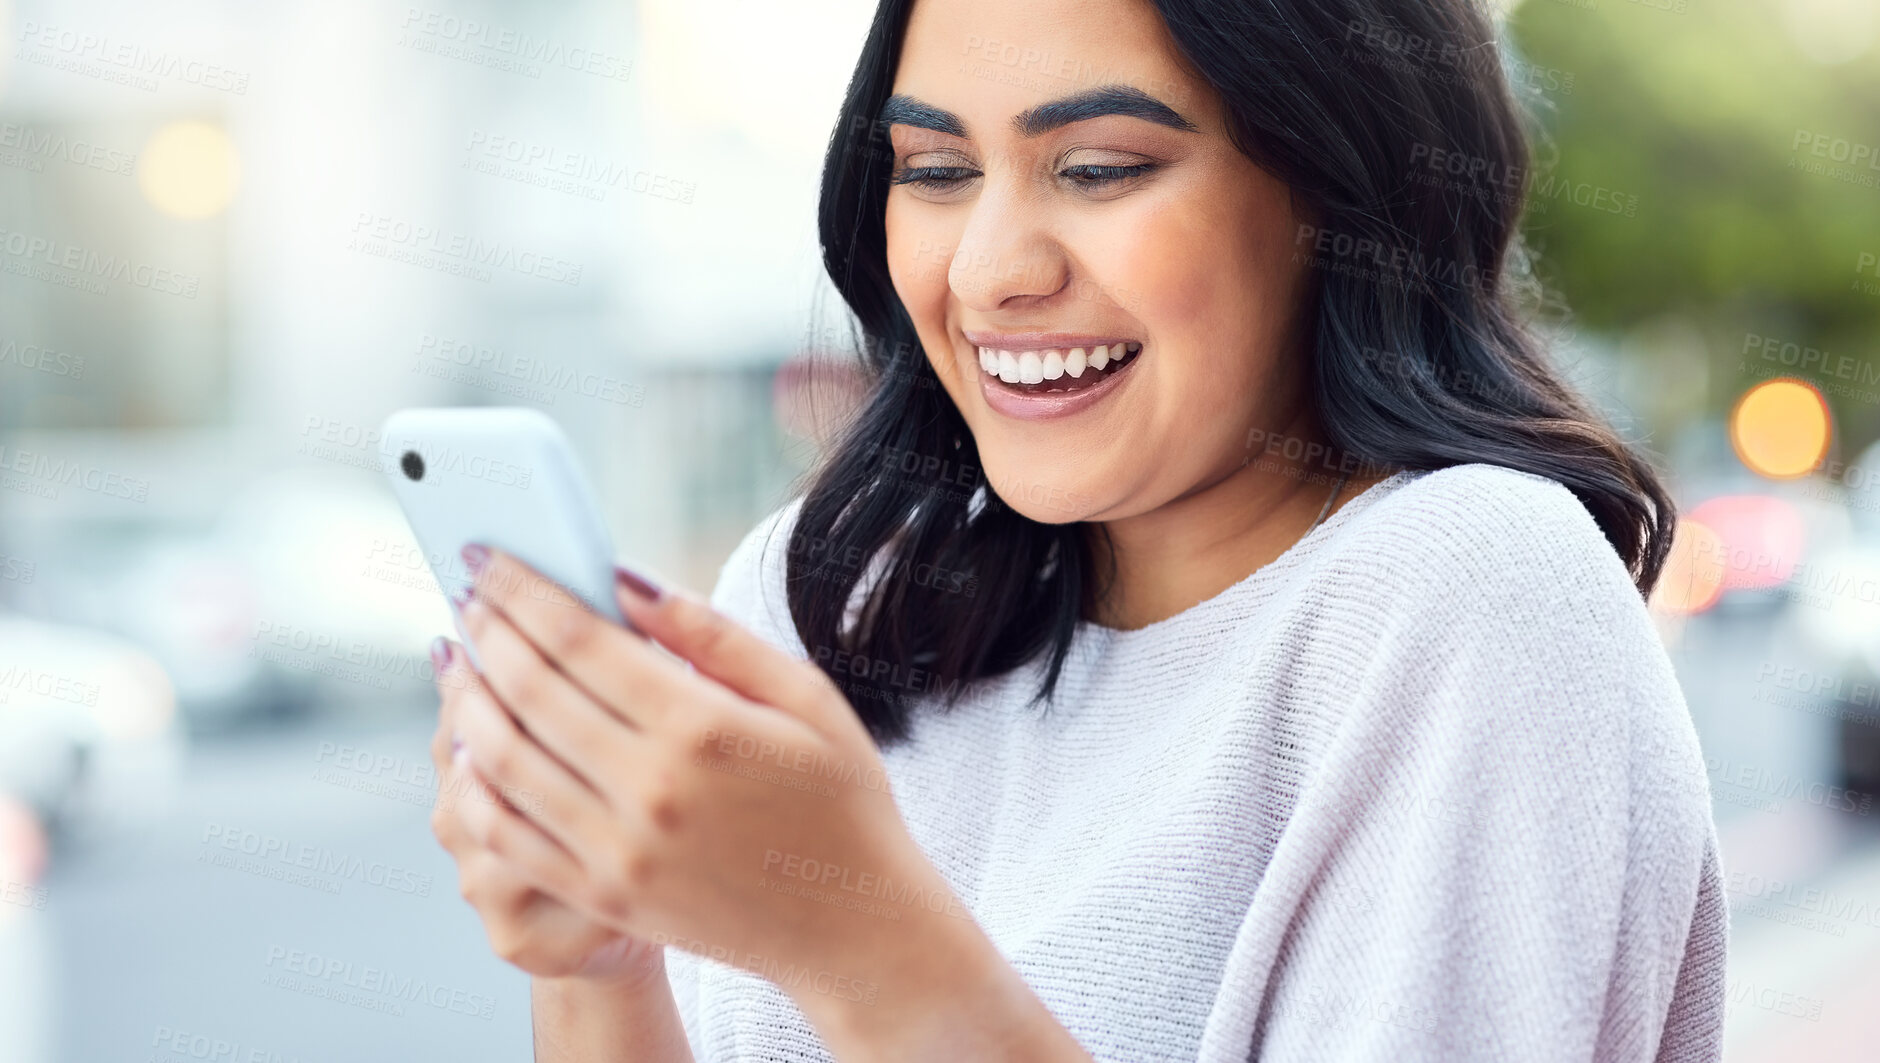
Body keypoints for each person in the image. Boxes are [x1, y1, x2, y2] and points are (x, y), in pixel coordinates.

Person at [425, 0, 1725, 1059]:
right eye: (934, 170)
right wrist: (599, 962)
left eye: (1099, 167)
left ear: (1336, 191)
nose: (990, 268)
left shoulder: (1472, 596)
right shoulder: (823, 598)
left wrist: (859, 935)